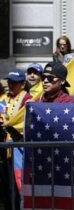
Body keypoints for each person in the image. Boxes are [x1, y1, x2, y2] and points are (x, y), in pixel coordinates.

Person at [0, 69, 32, 210]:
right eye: (9, 82)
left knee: (17, 184)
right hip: (3, 148)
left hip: (18, 148)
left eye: (14, 82)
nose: (10, 85)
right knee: (5, 184)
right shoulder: (3, 98)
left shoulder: (27, 99)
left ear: (23, 84)